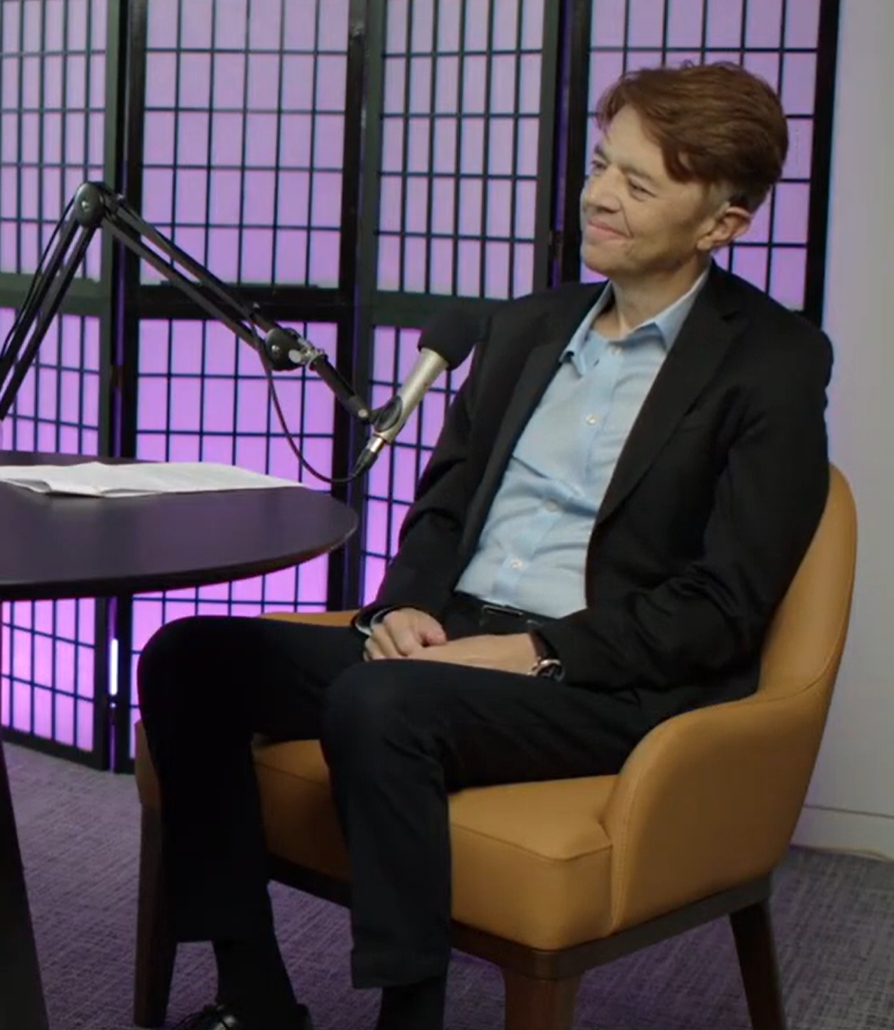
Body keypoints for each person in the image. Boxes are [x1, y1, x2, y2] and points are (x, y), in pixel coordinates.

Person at [137, 62, 831, 1030]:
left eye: (637, 184)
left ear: (721, 223)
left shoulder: (772, 362)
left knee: (382, 704)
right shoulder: (526, 327)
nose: (598, 195)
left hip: (605, 680)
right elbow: (445, 505)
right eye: (600, 165)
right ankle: (252, 992)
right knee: (191, 657)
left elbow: (723, 605)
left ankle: (409, 1015)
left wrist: (532, 650)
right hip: (455, 636)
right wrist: (402, 606)